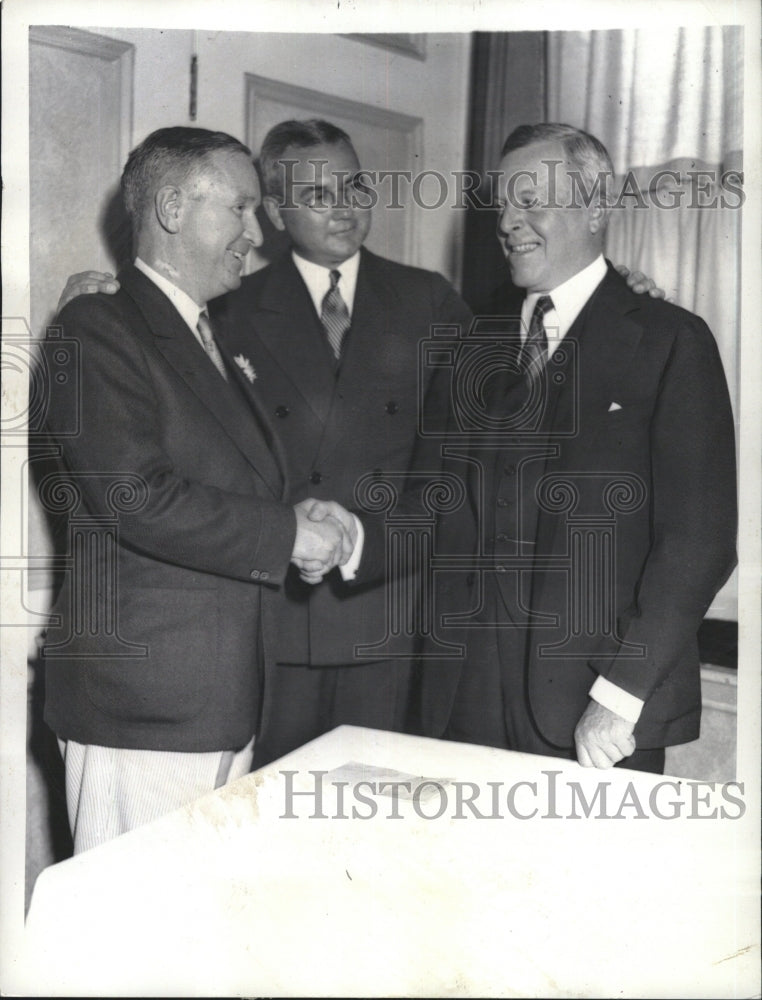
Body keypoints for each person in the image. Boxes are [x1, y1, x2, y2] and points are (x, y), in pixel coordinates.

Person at [55, 119, 663, 769]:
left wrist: (611, 291)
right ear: (278, 212)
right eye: (317, 195)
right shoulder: (226, 302)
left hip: (388, 620)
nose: (344, 207)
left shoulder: (429, 299)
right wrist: (97, 293)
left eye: (355, 186)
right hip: (271, 622)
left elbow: (518, 372)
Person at [41, 126, 357, 852]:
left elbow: (215, 479)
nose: (258, 233)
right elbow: (135, 496)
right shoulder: (98, 328)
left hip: (218, 704)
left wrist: (292, 516)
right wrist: (286, 535)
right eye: (241, 209)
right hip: (145, 714)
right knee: (135, 946)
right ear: (174, 208)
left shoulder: (210, 337)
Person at [420, 123, 737, 773]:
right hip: (463, 704)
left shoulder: (671, 340)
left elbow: (699, 541)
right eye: (503, 203)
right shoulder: (471, 344)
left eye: (531, 200)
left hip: (597, 714)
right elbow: (430, 505)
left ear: (597, 207)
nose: (509, 222)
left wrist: (619, 698)